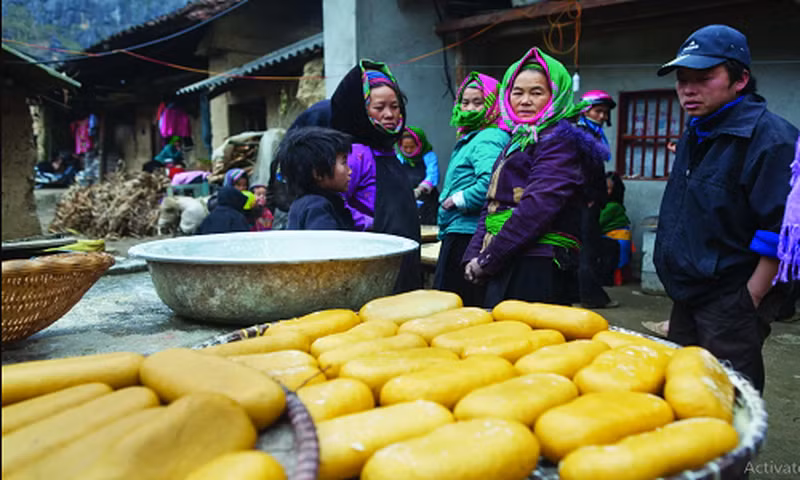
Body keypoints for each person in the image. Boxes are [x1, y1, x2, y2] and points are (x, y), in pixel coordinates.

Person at [654, 25, 799, 394]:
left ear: (740, 79)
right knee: (683, 393)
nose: (688, 89)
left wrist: (750, 298)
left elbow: (780, 230)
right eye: (682, 79)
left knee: (726, 399)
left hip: (732, 297)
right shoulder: (698, 129)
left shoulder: (772, 139)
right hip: (689, 292)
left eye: (704, 78)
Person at [462, 47, 608, 308]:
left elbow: (537, 208)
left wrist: (488, 260)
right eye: (517, 92)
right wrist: (474, 253)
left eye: (536, 92)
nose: (525, 100)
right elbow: (491, 202)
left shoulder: (559, 141)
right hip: (508, 255)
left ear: (556, 95)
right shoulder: (519, 138)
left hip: (538, 264)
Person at [331, 59, 422, 292]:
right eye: (379, 108)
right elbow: (336, 202)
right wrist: (369, 225)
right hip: (378, 258)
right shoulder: (357, 154)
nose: (390, 114)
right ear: (361, 110)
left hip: (403, 252)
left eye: (395, 106)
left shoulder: (390, 150)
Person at [434, 71, 510, 307]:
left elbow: (491, 182)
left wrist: (457, 200)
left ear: (494, 105)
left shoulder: (488, 137)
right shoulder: (472, 136)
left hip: (467, 233)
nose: (469, 109)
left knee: (455, 303)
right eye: (464, 102)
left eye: (478, 103)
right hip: (459, 229)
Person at [571, 90, 619, 308]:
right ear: (584, 111)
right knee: (587, 250)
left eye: (605, 113)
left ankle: (581, 293)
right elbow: (578, 170)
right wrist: (589, 197)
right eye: (598, 111)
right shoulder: (580, 135)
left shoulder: (592, 134)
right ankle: (591, 297)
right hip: (583, 203)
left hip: (589, 202)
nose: (603, 117)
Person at [278, 127, 355, 230]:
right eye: (343, 162)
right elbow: (326, 244)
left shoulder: (305, 203)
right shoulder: (317, 207)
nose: (349, 171)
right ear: (318, 173)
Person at [396, 126, 440, 225]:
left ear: (420, 145)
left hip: (428, 202)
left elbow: (432, 175)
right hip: (407, 201)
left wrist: (420, 190)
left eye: (412, 147)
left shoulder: (429, 156)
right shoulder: (399, 158)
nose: (408, 150)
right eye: (405, 147)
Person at [598, 172, 632, 285]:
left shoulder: (613, 206)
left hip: (616, 239)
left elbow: (597, 223)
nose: (606, 192)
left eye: (609, 189)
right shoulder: (609, 205)